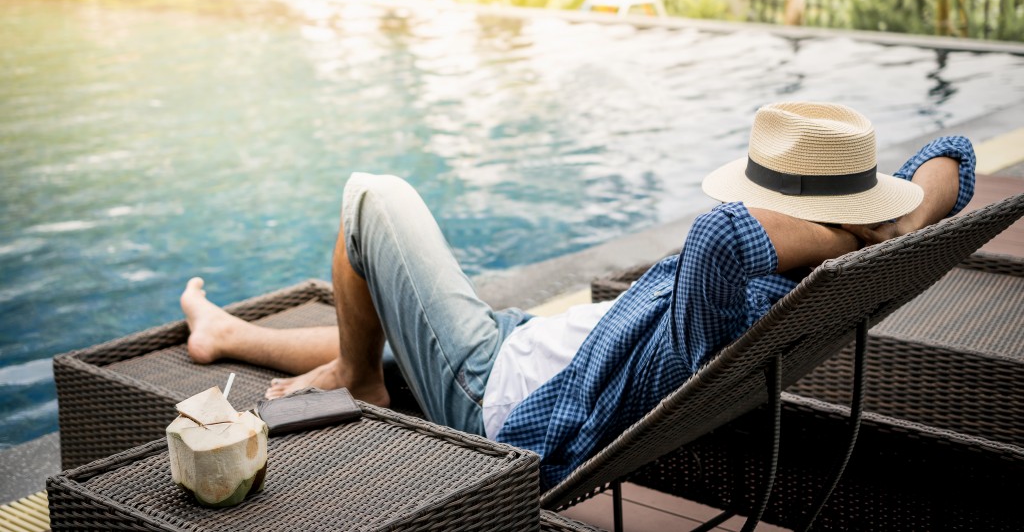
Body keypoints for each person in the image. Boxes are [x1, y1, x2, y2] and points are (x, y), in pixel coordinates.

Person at [180, 101, 975, 489]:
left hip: (502, 394)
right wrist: (896, 223)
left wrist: (861, 228)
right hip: (548, 350)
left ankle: (360, 380)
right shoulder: (838, 278)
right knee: (406, 314)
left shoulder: (739, 291)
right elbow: (957, 153)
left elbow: (722, 234)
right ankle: (225, 335)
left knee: (369, 197)